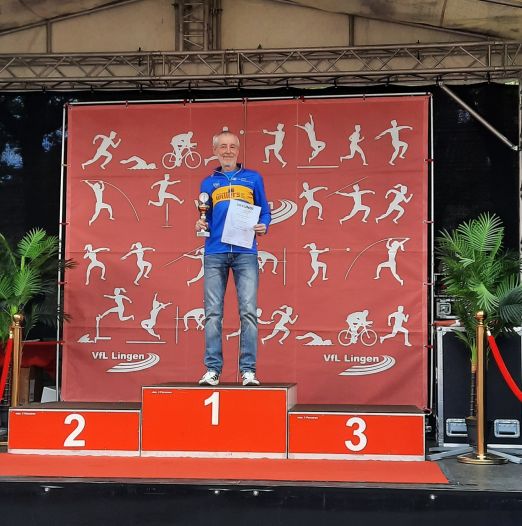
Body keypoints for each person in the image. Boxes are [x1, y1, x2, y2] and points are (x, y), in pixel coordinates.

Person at [196, 131, 271, 386]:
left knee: (248, 312)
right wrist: (200, 223)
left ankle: (248, 371)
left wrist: (264, 225)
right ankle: (212, 370)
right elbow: (205, 216)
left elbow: (265, 212)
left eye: (232, 147)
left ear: (238, 150)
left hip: (245, 252)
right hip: (215, 251)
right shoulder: (208, 183)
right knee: (212, 314)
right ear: (215, 150)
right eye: (223, 147)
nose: (227, 151)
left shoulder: (253, 178)